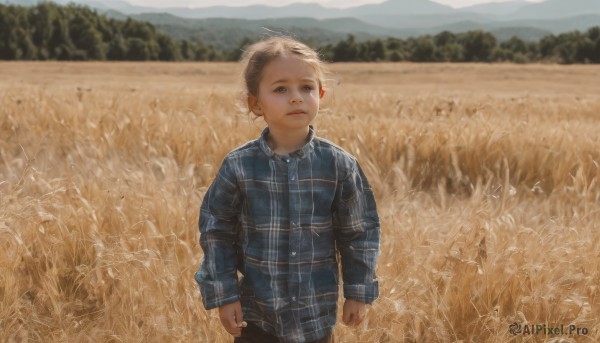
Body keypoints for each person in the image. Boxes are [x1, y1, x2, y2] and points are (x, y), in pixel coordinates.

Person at [195, 36, 380, 343]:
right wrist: (223, 294)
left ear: (320, 94)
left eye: (306, 87)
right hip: (256, 317)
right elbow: (217, 232)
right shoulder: (239, 166)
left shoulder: (339, 165)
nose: (296, 97)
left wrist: (358, 292)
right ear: (255, 102)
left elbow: (359, 232)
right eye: (281, 89)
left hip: (316, 318)